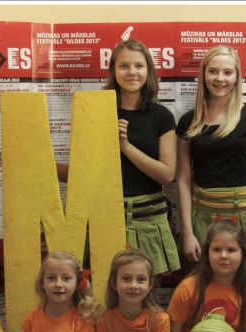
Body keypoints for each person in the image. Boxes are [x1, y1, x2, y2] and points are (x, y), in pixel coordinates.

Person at [57, 39, 179, 274]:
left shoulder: (161, 116)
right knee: (102, 288)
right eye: (124, 66)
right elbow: (82, 175)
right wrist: (38, 166)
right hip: (105, 219)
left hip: (147, 220)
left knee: (143, 289)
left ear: (148, 71)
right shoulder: (96, 112)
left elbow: (166, 175)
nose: (132, 72)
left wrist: (124, 146)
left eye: (138, 66)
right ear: (113, 71)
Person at [176, 45, 246, 263]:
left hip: (243, 217)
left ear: (237, 77)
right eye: (213, 71)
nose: (220, 78)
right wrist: (188, 233)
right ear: (204, 75)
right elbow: (183, 181)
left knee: (242, 281)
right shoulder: (188, 122)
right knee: (204, 281)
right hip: (203, 216)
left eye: (227, 72)